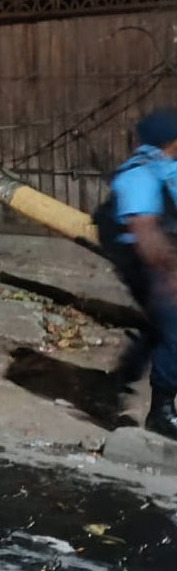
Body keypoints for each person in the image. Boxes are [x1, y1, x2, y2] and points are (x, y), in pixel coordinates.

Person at [102, 109, 177, 439]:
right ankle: (161, 412)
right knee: (172, 326)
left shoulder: (167, 167)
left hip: (162, 254)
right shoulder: (139, 175)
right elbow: (144, 233)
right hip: (143, 259)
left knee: (158, 326)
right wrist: (169, 275)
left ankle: (124, 376)